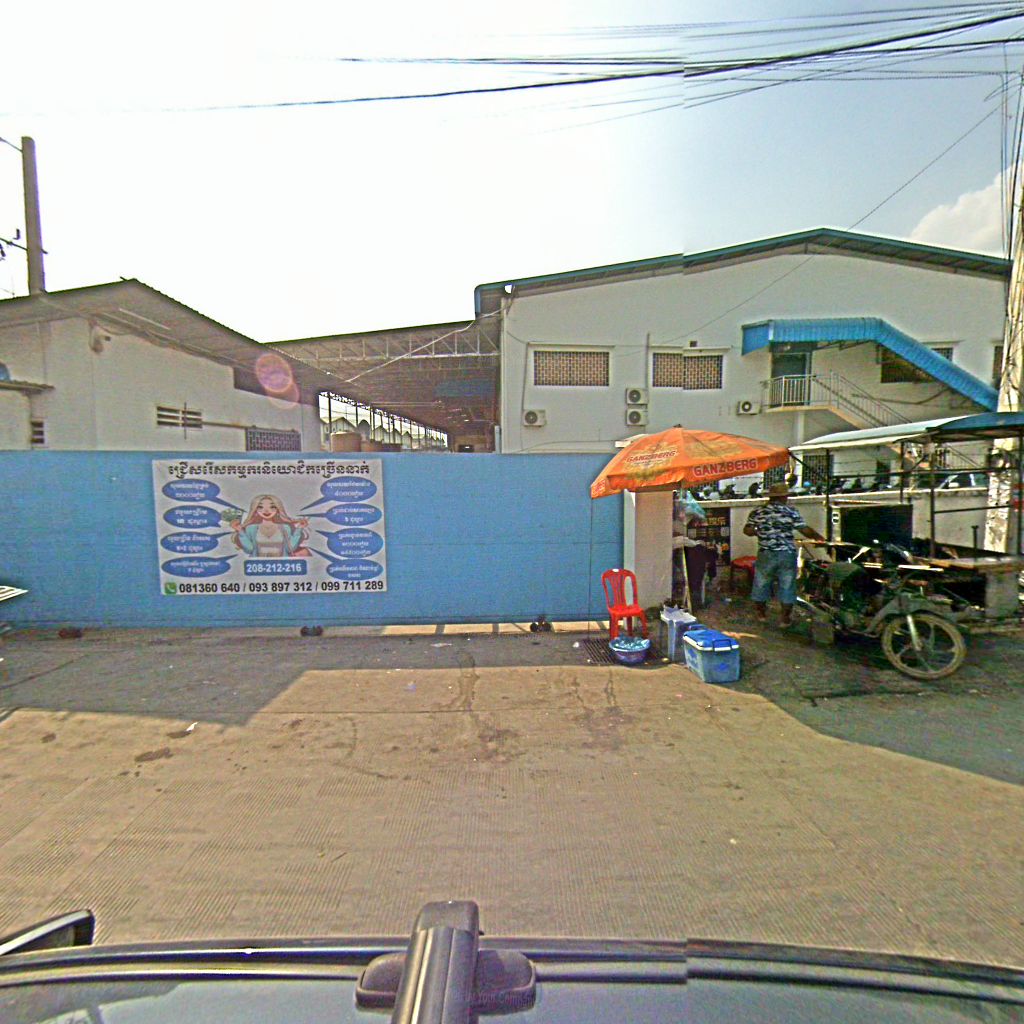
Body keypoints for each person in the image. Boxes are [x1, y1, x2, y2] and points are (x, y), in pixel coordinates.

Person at [742, 482, 825, 625]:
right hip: (786, 553)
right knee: (787, 585)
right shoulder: (790, 511)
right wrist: (820, 539)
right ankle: (785, 620)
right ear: (783, 497)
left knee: (761, 583)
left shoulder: (758, 511)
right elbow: (804, 529)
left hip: (766, 552)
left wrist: (760, 532)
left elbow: (747, 530)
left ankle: (761, 615)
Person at [230, 494, 311, 558]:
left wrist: (299, 529)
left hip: (281, 565)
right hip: (257, 566)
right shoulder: (251, 528)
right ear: (255, 510)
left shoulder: (284, 527)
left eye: (272, 507)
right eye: (260, 507)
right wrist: (240, 531)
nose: (266, 511)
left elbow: (290, 548)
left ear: (277, 509)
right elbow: (249, 549)